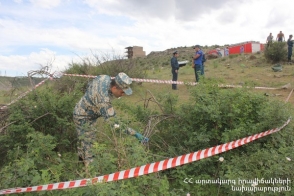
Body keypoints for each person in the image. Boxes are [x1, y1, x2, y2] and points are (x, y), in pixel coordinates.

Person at [73, 72, 148, 167]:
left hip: (81, 109)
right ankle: (90, 174)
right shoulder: (104, 101)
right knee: (89, 146)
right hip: (83, 117)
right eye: (122, 92)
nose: (123, 95)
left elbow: (90, 84)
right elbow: (115, 124)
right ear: (114, 88)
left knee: (82, 139)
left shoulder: (105, 78)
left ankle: (80, 164)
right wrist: (136, 134)